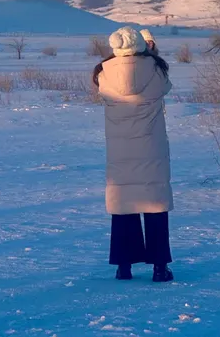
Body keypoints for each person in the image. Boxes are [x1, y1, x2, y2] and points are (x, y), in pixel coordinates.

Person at [93, 26, 174, 283]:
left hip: (120, 150)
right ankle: (159, 267)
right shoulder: (156, 70)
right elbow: (164, 84)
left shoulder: (104, 73)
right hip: (151, 148)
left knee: (123, 204)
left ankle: (123, 266)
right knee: (154, 205)